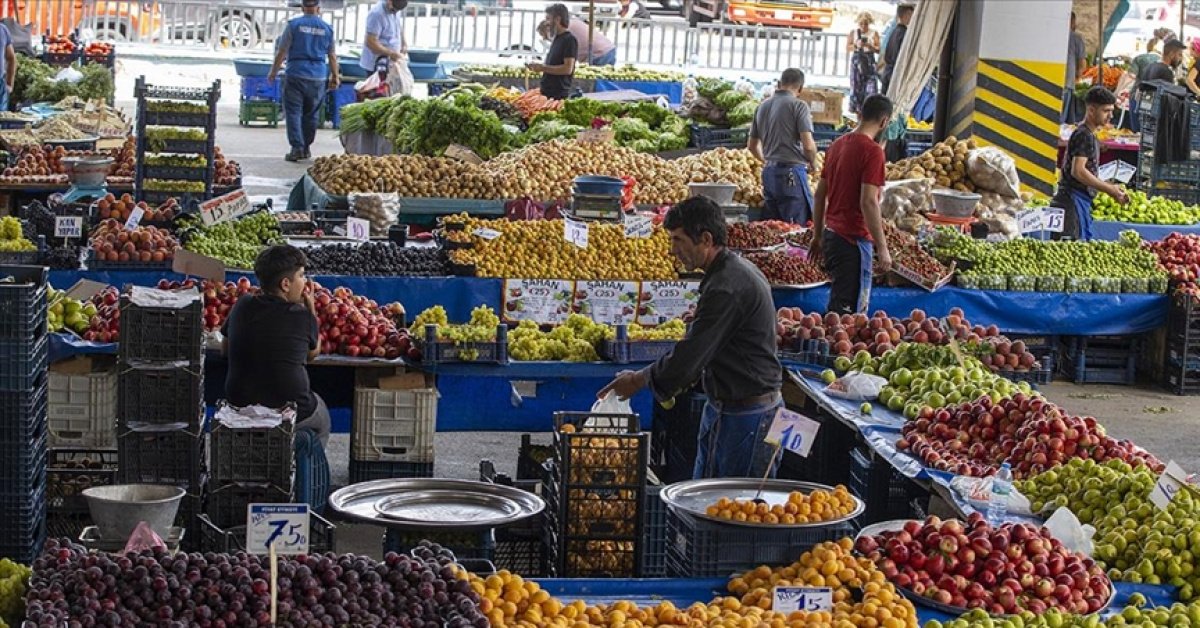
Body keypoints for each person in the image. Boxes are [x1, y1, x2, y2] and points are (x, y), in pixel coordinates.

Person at [598, 197, 783, 479]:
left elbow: (689, 358)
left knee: (734, 501)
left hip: (748, 418)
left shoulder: (726, 286)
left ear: (706, 239)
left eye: (678, 240)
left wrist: (637, 380)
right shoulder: (731, 271)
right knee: (709, 497)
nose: (673, 250)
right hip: (729, 408)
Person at [222, 245, 331, 446]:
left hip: (240, 406)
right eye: (301, 275)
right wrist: (311, 310)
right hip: (289, 410)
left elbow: (225, 349)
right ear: (285, 284)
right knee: (322, 417)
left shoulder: (242, 304)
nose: (305, 282)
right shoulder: (302, 315)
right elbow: (312, 354)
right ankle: (305, 462)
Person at [809, 94, 894, 315]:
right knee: (848, 315)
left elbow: (819, 195)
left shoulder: (836, 145)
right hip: (853, 242)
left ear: (860, 114)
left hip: (832, 237)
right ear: (884, 121)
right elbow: (868, 202)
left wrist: (817, 236)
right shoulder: (873, 152)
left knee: (838, 307)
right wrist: (882, 247)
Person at [1050, 86, 1128, 241]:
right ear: (1091, 110)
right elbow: (1078, 171)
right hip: (1072, 202)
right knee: (1070, 249)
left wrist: (1110, 187)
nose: (1111, 116)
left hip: (1075, 200)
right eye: (1106, 111)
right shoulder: (1084, 135)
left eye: (1111, 111)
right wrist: (1109, 189)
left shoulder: (1087, 133)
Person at [268, 0, 337, 163]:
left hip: (296, 74)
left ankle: (297, 147)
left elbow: (282, 51)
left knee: (293, 112)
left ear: (302, 8)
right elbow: (332, 56)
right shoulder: (327, 28)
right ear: (318, 9)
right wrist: (335, 76)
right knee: (311, 114)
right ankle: (306, 148)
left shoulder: (293, 25)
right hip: (318, 76)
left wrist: (273, 71)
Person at [747, 68, 818, 225]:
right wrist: (813, 163)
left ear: (779, 84)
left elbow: (752, 146)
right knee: (795, 228)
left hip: (769, 174)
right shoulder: (799, 106)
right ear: (800, 89)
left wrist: (767, 161)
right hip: (791, 175)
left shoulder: (762, 106)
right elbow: (808, 145)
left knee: (772, 227)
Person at [527, 4, 577, 100]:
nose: (546, 23)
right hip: (547, 91)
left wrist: (543, 68)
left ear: (557, 19)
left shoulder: (569, 40)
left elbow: (567, 69)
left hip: (557, 94)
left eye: (548, 19)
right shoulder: (557, 38)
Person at [543, 14, 615, 66]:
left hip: (598, 54)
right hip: (608, 49)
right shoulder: (571, 23)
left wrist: (545, 67)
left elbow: (556, 56)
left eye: (547, 37)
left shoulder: (563, 32)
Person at [359, 0, 407, 75]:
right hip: (377, 63)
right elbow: (370, 42)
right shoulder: (376, 14)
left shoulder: (396, 9)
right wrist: (391, 54)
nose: (395, 12)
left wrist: (404, 43)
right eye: (394, 9)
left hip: (392, 62)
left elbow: (398, 26)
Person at [846, 11, 880, 114]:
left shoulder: (874, 33)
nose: (863, 26)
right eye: (861, 24)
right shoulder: (853, 33)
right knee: (856, 86)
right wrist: (856, 45)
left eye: (866, 24)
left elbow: (878, 49)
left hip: (869, 60)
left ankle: (869, 108)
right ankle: (857, 110)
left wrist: (870, 46)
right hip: (857, 60)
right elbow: (848, 47)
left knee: (870, 87)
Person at [879, 3, 912, 95]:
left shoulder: (893, 31)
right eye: (911, 15)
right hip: (894, 73)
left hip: (887, 71)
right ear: (907, 14)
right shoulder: (904, 33)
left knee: (884, 99)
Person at [1062, 11, 1087, 123]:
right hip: (1067, 81)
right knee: (1062, 118)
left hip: (1051, 79)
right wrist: (1078, 77)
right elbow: (1082, 62)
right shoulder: (1076, 38)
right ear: (1072, 22)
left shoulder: (1052, 35)